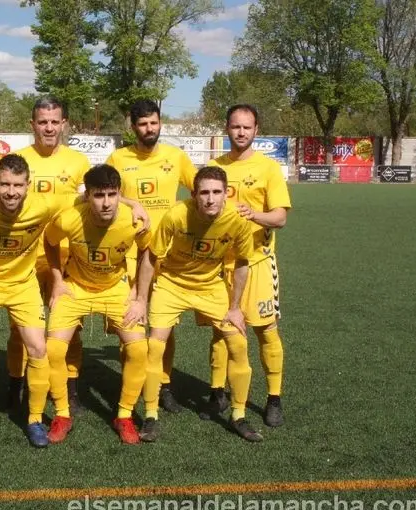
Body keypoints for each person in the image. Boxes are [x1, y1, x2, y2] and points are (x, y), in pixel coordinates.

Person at [0, 154, 148, 449]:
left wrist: (132, 203)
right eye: (5, 184)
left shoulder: (45, 203)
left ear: (28, 185)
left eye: (18, 185)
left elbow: (92, 196)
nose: (11, 192)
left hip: (23, 284)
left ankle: (35, 420)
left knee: (39, 348)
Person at [135, 166, 263, 443]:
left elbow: (242, 263)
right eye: (204, 193)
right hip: (172, 284)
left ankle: (239, 415)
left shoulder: (238, 220)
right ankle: (150, 415)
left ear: (226, 193)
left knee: (238, 343)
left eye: (217, 192)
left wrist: (235, 308)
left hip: (210, 286)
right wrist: (141, 300)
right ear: (194, 195)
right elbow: (151, 256)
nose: (210, 199)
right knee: (155, 346)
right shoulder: (176, 215)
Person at [43, 164, 150, 445]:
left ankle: (124, 415)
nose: (106, 203)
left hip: (115, 289)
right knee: (53, 349)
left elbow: (148, 253)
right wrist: (57, 281)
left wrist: (140, 296)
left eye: (112, 194)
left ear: (119, 194)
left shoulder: (134, 221)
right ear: (87, 195)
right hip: (75, 288)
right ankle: (62, 414)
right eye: (99, 195)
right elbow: (49, 242)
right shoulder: (69, 219)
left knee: (139, 349)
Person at [105, 99, 197, 417]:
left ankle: (163, 385)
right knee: (129, 323)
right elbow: (105, 192)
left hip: (167, 256)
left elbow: (200, 188)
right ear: (133, 127)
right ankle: (130, 383)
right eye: (143, 124)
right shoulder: (119, 158)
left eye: (153, 123)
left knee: (162, 325)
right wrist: (132, 203)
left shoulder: (176, 156)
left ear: (160, 123)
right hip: (129, 254)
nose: (149, 128)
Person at [204, 104, 292, 427]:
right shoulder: (214, 167)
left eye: (246, 127)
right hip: (220, 265)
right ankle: (217, 393)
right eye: (235, 126)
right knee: (220, 331)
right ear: (226, 128)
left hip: (257, 264)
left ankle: (273, 398)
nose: (240, 132)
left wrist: (253, 214)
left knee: (266, 330)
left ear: (256, 130)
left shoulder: (269, 168)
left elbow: (280, 218)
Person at [8, 96, 91, 413]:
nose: (49, 127)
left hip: (67, 257)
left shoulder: (78, 162)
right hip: (25, 256)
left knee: (69, 330)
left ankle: (69, 388)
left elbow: (93, 200)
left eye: (55, 122)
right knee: (19, 328)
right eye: (42, 122)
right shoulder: (18, 159)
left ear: (64, 124)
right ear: (32, 124)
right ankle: (17, 386)